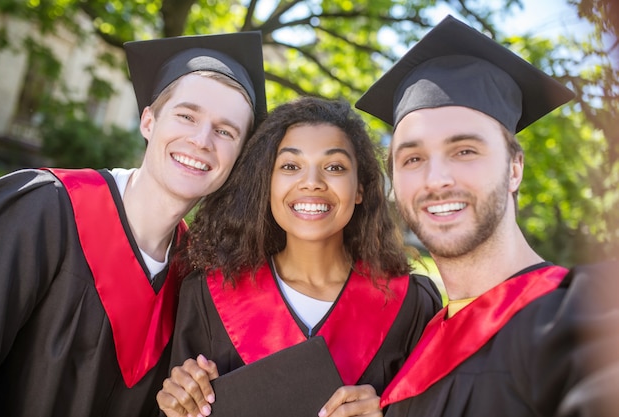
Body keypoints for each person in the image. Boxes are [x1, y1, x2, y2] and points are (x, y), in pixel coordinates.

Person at [355, 15, 619, 417]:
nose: (436, 178)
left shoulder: (582, 317)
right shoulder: (412, 350)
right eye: (413, 158)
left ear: (514, 169)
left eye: (465, 151)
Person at [0, 31, 267, 416]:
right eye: (186, 115)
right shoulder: (46, 209)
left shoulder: (195, 280)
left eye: (225, 131)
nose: (202, 140)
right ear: (148, 121)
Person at [156, 97, 443, 417]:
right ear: (267, 183)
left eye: (334, 167)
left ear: (360, 188)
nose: (312, 183)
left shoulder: (412, 304)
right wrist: (178, 404)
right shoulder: (208, 295)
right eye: (290, 166)